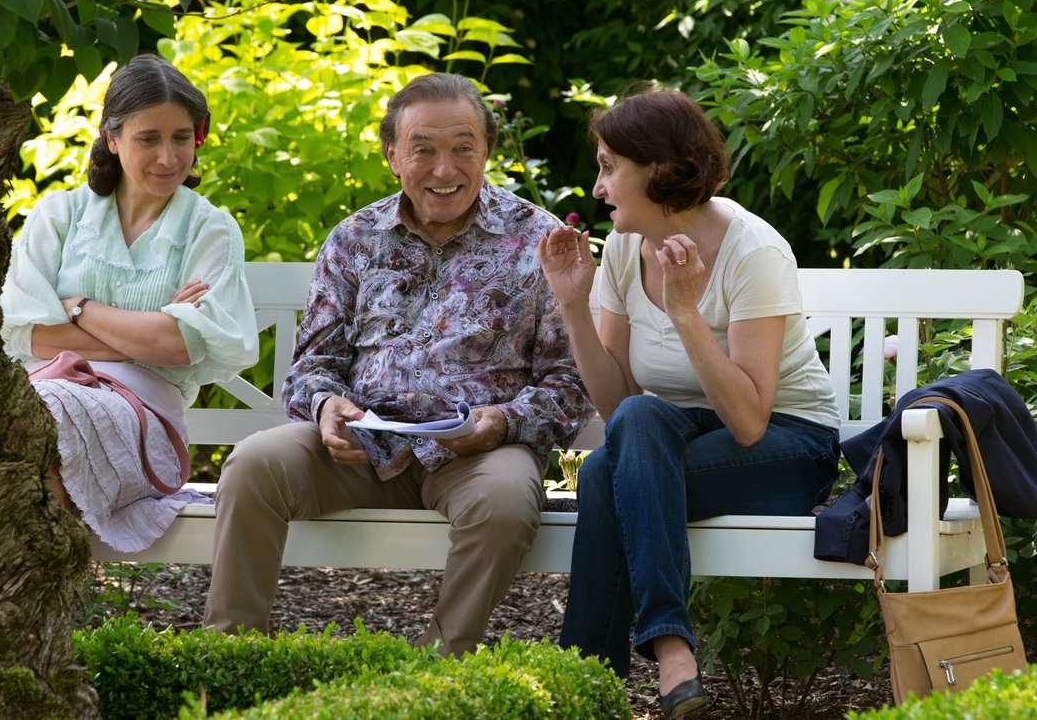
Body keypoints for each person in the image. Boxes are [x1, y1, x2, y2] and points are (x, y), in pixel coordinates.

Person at [203, 71, 593, 655]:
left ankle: (439, 675)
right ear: (392, 155)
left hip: (478, 452)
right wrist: (326, 405)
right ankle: (228, 658)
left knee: (506, 504)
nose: (445, 169)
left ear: (486, 149)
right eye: (423, 150)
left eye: (464, 147)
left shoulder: (536, 240)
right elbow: (314, 362)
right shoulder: (355, 238)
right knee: (253, 465)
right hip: (361, 447)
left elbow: (568, 380)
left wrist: (501, 423)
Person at [539, 85, 840, 718]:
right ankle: (670, 654)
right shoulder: (623, 248)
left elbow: (751, 421)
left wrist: (685, 312)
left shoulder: (752, 252)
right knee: (639, 420)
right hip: (674, 437)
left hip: (785, 443)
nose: (597, 188)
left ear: (657, 168)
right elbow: (620, 403)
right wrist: (572, 305)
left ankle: (583, 680)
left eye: (607, 167)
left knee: (603, 479)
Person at [0, 53, 258, 553]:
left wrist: (78, 307)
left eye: (181, 138)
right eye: (148, 139)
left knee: (46, 418)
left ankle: (48, 607)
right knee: (34, 424)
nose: (168, 158)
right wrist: (151, 331)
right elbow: (29, 333)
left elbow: (182, 347)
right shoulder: (60, 215)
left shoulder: (209, 228)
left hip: (147, 425)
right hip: (47, 396)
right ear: (112, 139)